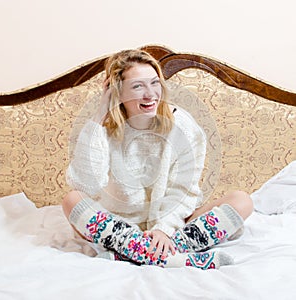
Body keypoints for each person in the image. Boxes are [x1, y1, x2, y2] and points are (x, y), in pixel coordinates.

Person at [62, 49, 253, 270]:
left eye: (154, 83)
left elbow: (184, 190)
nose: (150, 94)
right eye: (137, 86)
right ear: (118, 92)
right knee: (71, 200)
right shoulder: (101, 132)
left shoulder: (184, 127)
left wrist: (163, 229)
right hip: (119, 228)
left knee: (242, 201)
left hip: (172, 224)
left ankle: (131, 255)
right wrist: (100, 115)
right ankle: (174, 258)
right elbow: (86, 184)